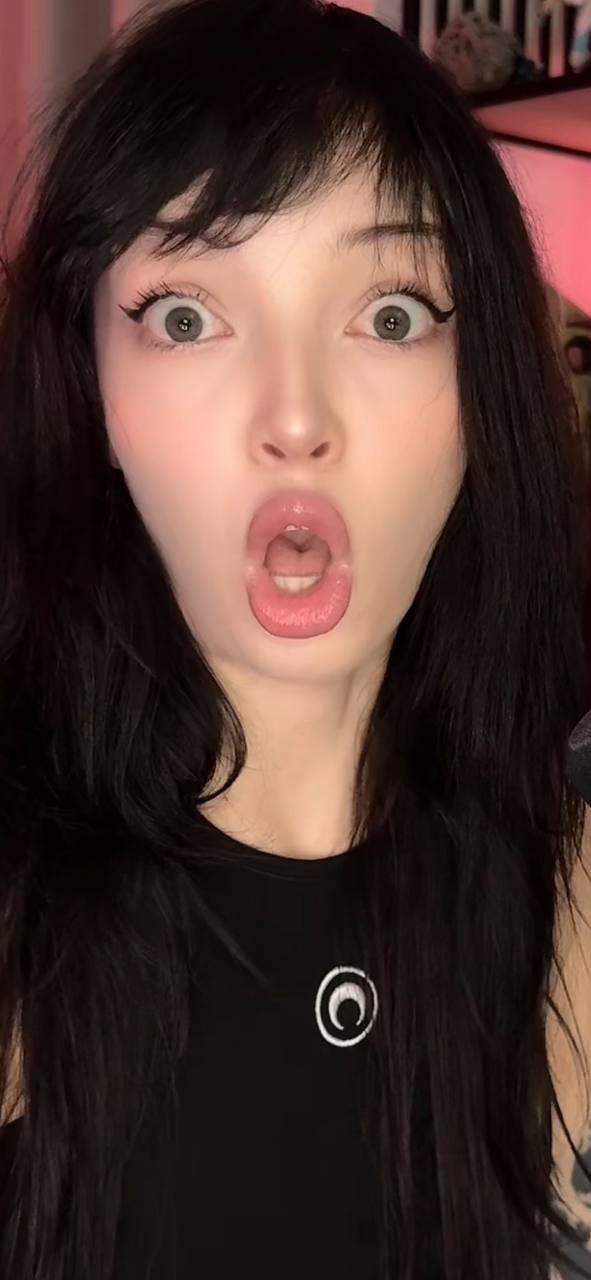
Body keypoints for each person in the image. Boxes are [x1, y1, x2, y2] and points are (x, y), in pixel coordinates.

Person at [0, 0, 590, 1276]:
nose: (296, 416)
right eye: (185, 316)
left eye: (392, 313)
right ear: (91, 390)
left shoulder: (569, 901)